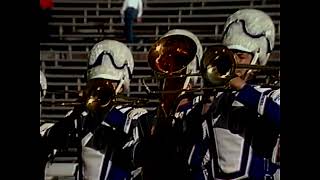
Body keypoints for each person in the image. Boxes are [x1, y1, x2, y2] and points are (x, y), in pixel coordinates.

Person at [185, 9, 280, 180]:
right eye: (230, 55)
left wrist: (243, 89)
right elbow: (197, 152)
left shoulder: (270, 94)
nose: (233, 61)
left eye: (241, 56)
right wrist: (206, 105)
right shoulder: (216, 99)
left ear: (256, 59)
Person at [41, 40, 149, 180]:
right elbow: (52, 141)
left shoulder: (135, 115)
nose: (102, 87)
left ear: (122, 83)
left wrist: (105, 112)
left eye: (109, 82)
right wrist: (75, 114)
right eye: (97, 82)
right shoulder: (82, 115)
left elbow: (140, 153)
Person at [136, 29, 204, 180]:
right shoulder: (148, 118)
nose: (171, 71)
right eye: (166, 63)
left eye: (178, 62)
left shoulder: (200, 109)